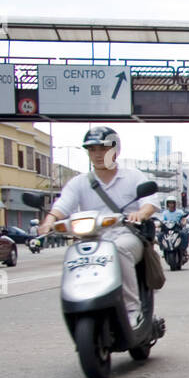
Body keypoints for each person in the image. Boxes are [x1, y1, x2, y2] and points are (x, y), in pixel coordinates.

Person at [36, 126, 160, 330]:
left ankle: (132, 309)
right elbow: (63, 204)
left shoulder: (133, 176)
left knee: (118, 249)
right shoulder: (79, 182)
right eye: (92, 150)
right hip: (91, 239)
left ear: (116, 149)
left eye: (103, 148)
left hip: (126, 236)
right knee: (73, 255)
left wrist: (141, 213)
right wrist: (49, 221)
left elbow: (150, 202)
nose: (98, 154)